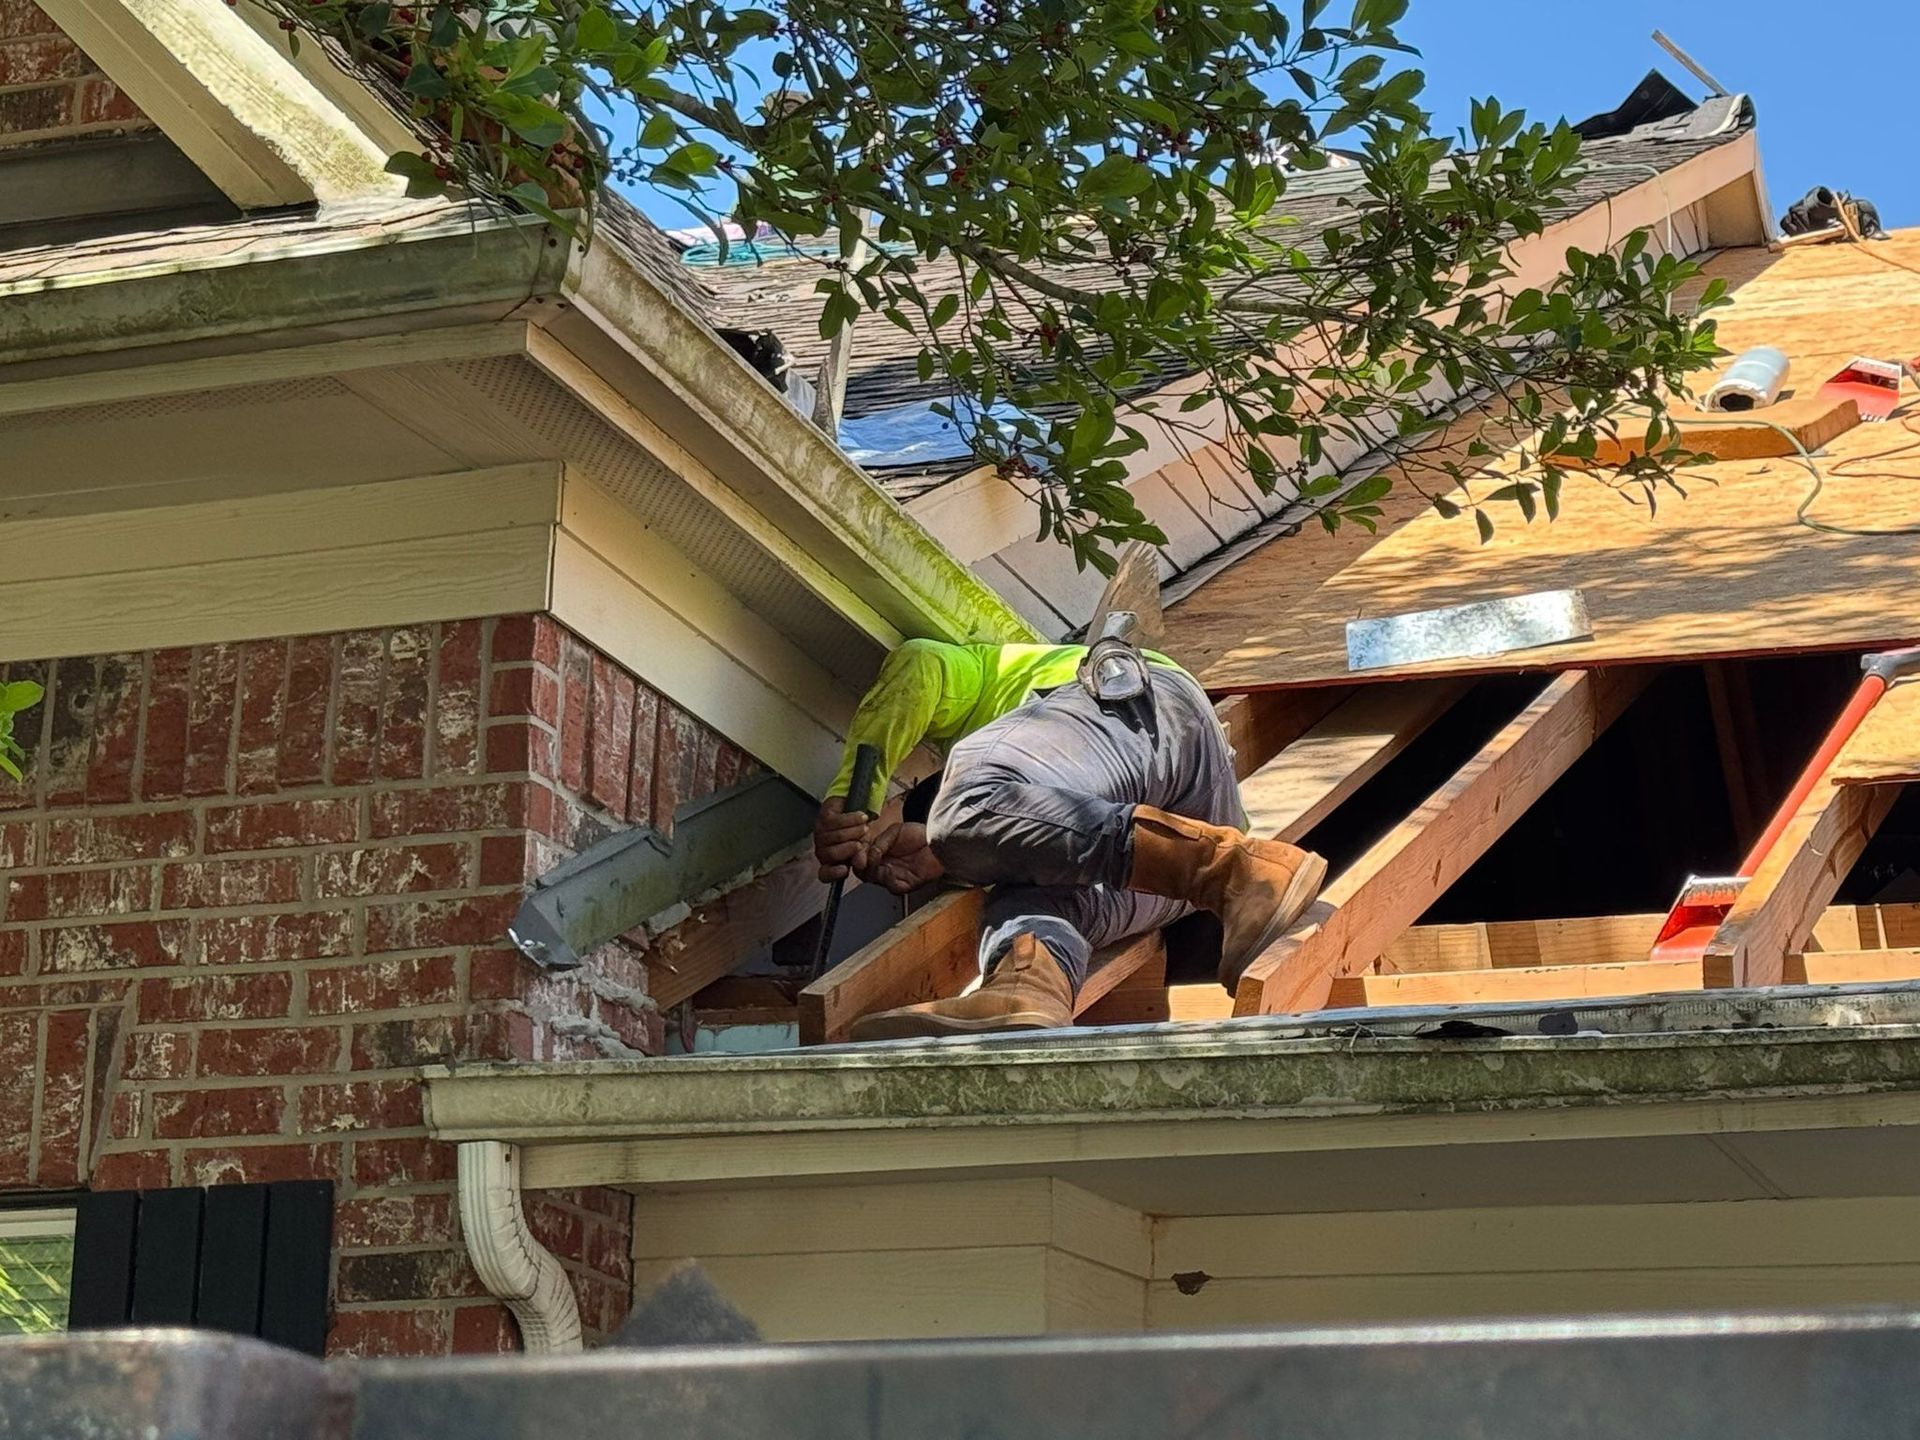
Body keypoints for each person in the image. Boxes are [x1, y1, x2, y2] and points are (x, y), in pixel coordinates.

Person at [813, 639, 1327, 1040]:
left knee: (968, 801)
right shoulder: (1043, 770)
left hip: (1146, 713)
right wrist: (947, 856)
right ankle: (1026, 991)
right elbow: (1066, 827)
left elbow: (919, 663)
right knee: (1028, 892)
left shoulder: (989, 668)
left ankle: (1237, 870)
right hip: (1176, 858)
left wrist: (853, 800)